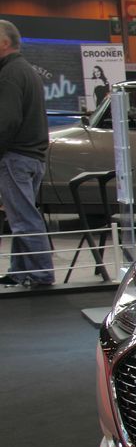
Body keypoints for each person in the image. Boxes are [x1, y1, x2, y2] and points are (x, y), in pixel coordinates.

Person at [0, 19, 54, 288]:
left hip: (16, 157)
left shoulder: (10, 74)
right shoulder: (25, 70)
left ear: (4, 43)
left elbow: (6, 121)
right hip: (31, 157)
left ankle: (42, 274)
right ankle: (20, 271)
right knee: (20, 216)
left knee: (23, 219)